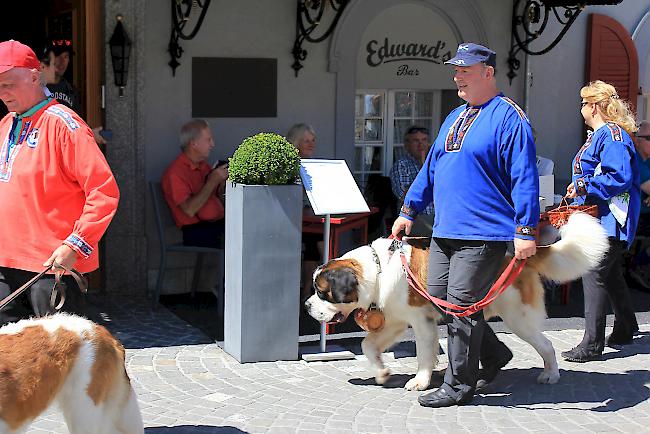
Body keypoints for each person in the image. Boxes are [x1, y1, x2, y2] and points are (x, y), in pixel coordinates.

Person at [391, 43, 539, 408]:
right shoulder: (454, 116)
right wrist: (409, 210)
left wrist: (525, 231)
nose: (457, 76)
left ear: (488, 73)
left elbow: (525, 176)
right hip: (445, 230)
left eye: (466, 70)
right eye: (456, 69)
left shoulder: (510, 117)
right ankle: (493, 355)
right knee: (442, 299)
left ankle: (458, 385)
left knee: (460, 305)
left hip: (484, 232)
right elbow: (431, 167)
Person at [0, 40, 119, 322]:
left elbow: (103, 191)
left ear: (33, 75)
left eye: (8, 83)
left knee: (58, 361)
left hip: (52, 266)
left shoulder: (66, 125)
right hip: (5, 263)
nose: (2, 93)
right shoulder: (5, 125)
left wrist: (75, 245)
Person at [561, 81, 640, 362]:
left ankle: (592, 344)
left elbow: (619, 177)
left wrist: (583, 187)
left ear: (593, 106)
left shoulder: (611, 135)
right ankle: (626, 326)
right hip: (603, 217)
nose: (581, 108)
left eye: (584, 103)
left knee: (594, 274)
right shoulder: (602, 134)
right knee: (611, 274)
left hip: (610, 219)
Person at [162, 119, 228, 248]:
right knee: (241, 234)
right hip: (195, 231)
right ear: (194, 143)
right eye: (208, 140)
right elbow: (190, 210)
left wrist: (221, 186)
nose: (212, 144)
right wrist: (212, 181)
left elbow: (214, 199)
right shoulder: (175, 172)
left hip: (215, 223)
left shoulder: (204, 167)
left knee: (248, 225)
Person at [38, 38, 107, 146]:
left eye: (66, 57)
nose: (62, 61)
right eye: (57, 56)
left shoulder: (71, 91)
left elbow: (76, 126)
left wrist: (89, 134)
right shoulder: (37, 90)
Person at [287, 123, 322, 299]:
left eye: (312, 140)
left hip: (311, 218)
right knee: (318, 239)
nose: (310, 144)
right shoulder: (291, 166)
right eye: (305, 141)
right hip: (292, 219)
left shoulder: (313, 164)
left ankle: (308, 289)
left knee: (315, 240)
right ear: (296, 143)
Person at [389, 125, 434, 237]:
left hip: (438, 216)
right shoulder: (401, 165)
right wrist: (424, 172)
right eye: (416, 141)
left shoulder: (434, 164)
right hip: (415, 218)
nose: (421, 144)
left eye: (424, 140)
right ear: (407, 145)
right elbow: (405, 196)